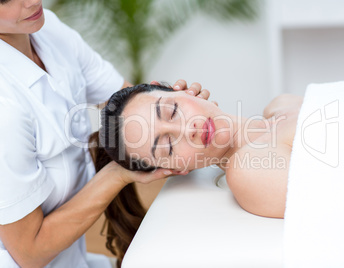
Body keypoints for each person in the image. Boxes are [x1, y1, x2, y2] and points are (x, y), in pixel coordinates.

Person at [0, 2, 210, 267]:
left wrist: (177, 107)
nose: (31, 1)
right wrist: (117, 174)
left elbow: (131, 108)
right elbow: (29, 252)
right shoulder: (4, 111)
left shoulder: (47, 28)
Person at [90, 83, 303, 264]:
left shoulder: (281, 104)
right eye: (167, 146)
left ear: (188, 91)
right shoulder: (247, 171)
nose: (187, 130)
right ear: (175, 169)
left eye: (172, 111)